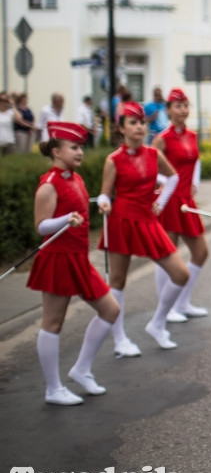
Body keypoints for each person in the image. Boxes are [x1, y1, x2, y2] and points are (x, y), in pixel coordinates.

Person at [27, 122, 120, 405]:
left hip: (80, 258)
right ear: (56, 151)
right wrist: (64, 221)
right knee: (53, 322)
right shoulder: (48, 185)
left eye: (81, 146)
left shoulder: (75, 179)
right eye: (74, 147)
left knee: (110, 310)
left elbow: (77, 208)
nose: (80, 152)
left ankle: (81, 370)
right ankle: (53, 389)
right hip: (57, 259)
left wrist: (98, 205)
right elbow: (41, 227)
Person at [97, 102, 191, 356]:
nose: (140, 127)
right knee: (117, 281)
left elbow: (173, 178)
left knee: (181, 274)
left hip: (148, 221)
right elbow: (105, 194)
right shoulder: (113, 160)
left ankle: (158, 323)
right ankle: (120, 339)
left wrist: (160, 202)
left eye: (142, 122)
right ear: (121, 128)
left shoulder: (153, 154)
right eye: (133, 122)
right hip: (122, 221)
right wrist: (104, 203)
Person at [153, 89, 209, 322]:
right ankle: (166, 309)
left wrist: (195, 181)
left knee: (201, 252)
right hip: (170, 200)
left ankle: (183, 302)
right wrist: (167, 185)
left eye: (186, 105)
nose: (183, 110)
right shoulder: (162, 139)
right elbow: (151, 171)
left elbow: (195, 161)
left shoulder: (193, 135)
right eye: (177, 106)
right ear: (168, 110)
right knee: (169, 254)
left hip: (187, 200)